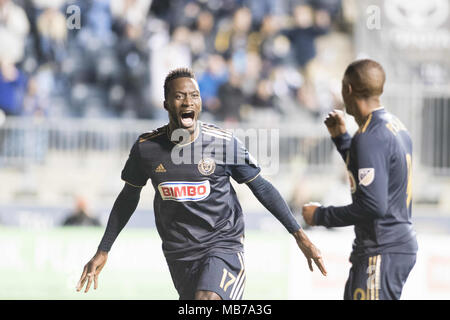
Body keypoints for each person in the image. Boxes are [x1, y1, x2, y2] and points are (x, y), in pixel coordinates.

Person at [76, 67, 326, 300]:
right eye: (180, 96)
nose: (188, 102)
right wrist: (104, 248)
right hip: (179, 254)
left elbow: (260, 187)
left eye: (194, 95)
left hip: (222, 245)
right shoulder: (147, 149)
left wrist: (300, 236)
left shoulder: (223, 144)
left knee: (206, 299)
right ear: (166, 103)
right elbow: (128, 197)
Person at [302, 59, 418, 300]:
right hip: (389, 245)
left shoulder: (369, 137)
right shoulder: (395, 127)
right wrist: (343, 140)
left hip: (381, 247)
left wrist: (321, 216)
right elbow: (370, 178)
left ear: (348, 90)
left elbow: (373, 205)